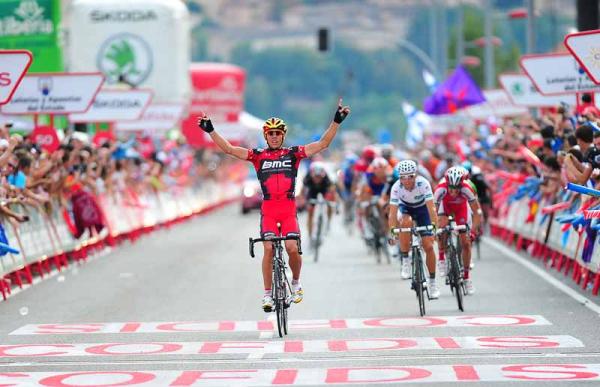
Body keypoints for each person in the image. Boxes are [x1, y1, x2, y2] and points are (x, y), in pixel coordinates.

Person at [197, 99, 350, 312]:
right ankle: (267, 294)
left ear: (283, 136)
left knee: (291, 248)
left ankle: (296, 283)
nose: (275, 136)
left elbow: (323, 144)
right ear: (266, 136)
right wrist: (211, 130)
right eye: (271, 133)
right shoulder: (258, 156)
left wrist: (336, 121)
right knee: (268, 248)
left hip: (288, 210)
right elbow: (230, 149)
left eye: (278, 133)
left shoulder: (293, 154)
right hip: (269, 210)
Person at [387, 160, 440, 298]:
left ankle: (432, 282)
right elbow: (392, 212)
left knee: (428, 246)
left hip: (423, 210)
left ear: (415, 175)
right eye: (403, 177)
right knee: (405, 223)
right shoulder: (396, 187)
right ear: (399, 177)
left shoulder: (423, 183)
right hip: (406, 209)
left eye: (410, 176)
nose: (407, 180)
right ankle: (405, 260)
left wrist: (435, 227)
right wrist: (393, 230)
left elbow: (431, 208)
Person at [434, 166, 481, 295]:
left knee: (466, 242)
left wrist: (473, 230)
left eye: (457, 188)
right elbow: (433, 212)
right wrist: (435, 228)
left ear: (462, 185)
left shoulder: (467, 189)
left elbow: (477, 212)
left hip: (461, 208)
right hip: (445, 207)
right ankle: (442, 257)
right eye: (451, 188)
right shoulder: (440, 189)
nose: (454, 192)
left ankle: (466, 277)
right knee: (442, 227)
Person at [303, 161, 337, 247]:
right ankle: (310, 235)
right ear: (312, 175)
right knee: (310, 212)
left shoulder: (327, 180)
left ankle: (328, 221)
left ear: (323, 175)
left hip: (324, 189)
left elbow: (332, 191)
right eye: (316, 177)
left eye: (319, 177)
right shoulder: (307, 179)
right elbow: (303, 191)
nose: (317, 179)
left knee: (329, 203)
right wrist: (304, 201)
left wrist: (333, 202)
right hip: (312, 191)